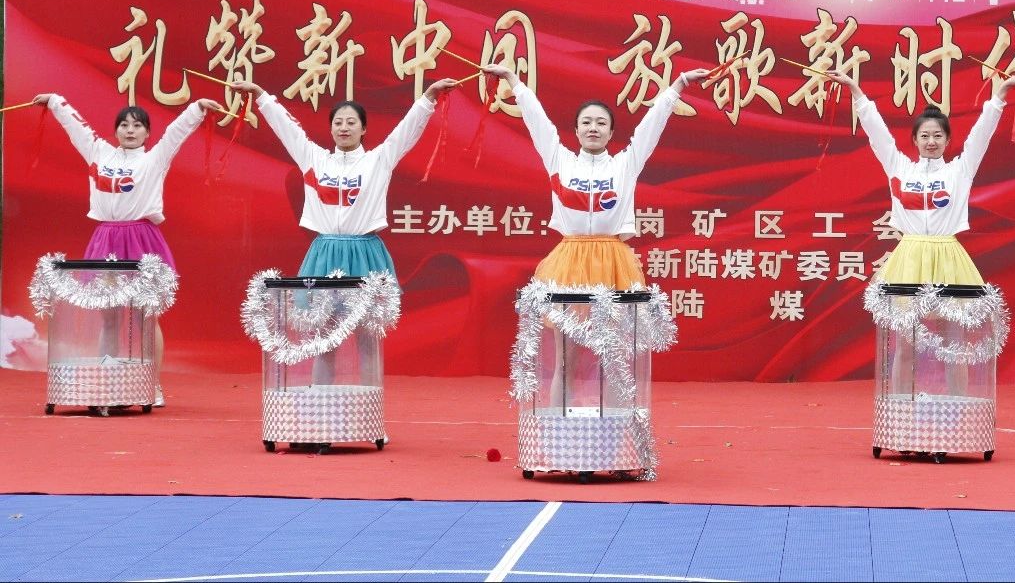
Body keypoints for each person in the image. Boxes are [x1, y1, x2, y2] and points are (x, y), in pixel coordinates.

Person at [829, 72, 1015, 394]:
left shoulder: (959, 170)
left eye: (937, 135)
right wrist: (856, 91)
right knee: (905, 345)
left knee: (953, 344)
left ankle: (958, 409)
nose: (931, 141)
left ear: (947, 141)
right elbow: (878, 134)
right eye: (925, 136)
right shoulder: (899, 168)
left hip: (949, 259)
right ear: (915, 140)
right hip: (908, 259)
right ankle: (899, 408)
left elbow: (982, 134)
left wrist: (1000, 94)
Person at [33, 93, 219, 407]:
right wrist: (54, 101)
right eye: (123, 125)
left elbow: (176, 132)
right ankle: (107, 380)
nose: (130, 130)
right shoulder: (98, 152)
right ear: (116, 130)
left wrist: (197, 108)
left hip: (142, 241)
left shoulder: (154, 158)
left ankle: (152, 386)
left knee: (147, 317)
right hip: (106, 240)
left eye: (137, 125)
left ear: (147, 132)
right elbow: (76, 127)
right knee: (109, 317)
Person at [482, 65, 709, 291]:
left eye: (601, 123)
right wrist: (512, 79)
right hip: (568, 260)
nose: (593, 128)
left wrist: (680, 83)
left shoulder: (625, 164)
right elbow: (537, 121)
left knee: (615, 316)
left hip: (614, 262)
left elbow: (650, 127)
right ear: (576, 130)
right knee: (567, 316)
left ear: (610, 133)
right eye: (586, 122)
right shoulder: (559, 160)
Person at [229, 79, 458, 281]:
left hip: (366, 253)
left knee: (367, 318)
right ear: (331, 129)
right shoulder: (313, 158)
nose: (344, 128)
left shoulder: (379, 159)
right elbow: (287, 129)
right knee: (319, 316)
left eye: (351, 122)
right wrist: (260, 94)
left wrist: (429, 96)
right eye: (338, 123)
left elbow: (406, 131)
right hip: (324, 253)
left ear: (363, 128)